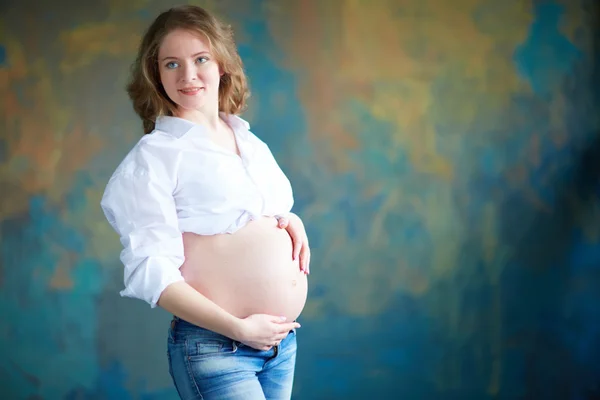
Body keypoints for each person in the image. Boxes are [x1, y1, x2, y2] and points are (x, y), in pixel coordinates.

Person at [100, 5, 311, 399]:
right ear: (156, 75)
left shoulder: (247, 140)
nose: (188, 75)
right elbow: (154, 274)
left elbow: (251, 214)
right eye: (171, 64)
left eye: (200, 59)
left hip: (281, 345)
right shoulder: (154, 156)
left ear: (222, 65)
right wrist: (238, 328)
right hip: (218, 346)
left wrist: (287, 219)